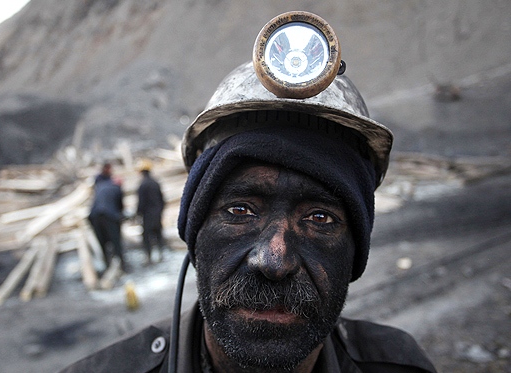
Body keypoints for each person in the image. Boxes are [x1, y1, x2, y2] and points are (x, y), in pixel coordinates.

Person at [61, 11, 436, 373]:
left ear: (357, 247)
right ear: (195, 231)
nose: (274, 260)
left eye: (320, 218)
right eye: (240, 210)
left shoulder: (400, 365)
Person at [88, 173, 128, 272]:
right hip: (109, 215)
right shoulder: (116, 188)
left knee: (103, 242)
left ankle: (107, 264)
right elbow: (120, 207)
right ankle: (122, 265)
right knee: (116, 241)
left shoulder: (100, 186)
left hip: (94, 216)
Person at [136, 159, 166, 265]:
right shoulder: (155, 183)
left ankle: (149, 257)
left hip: (147, 215)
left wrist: (138, 213)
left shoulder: (142, 185)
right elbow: (162, 199)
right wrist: (160, 210)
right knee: (158, 234)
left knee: (147, 237)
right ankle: (161, 254)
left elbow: (141, 202)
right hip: (157, 213)